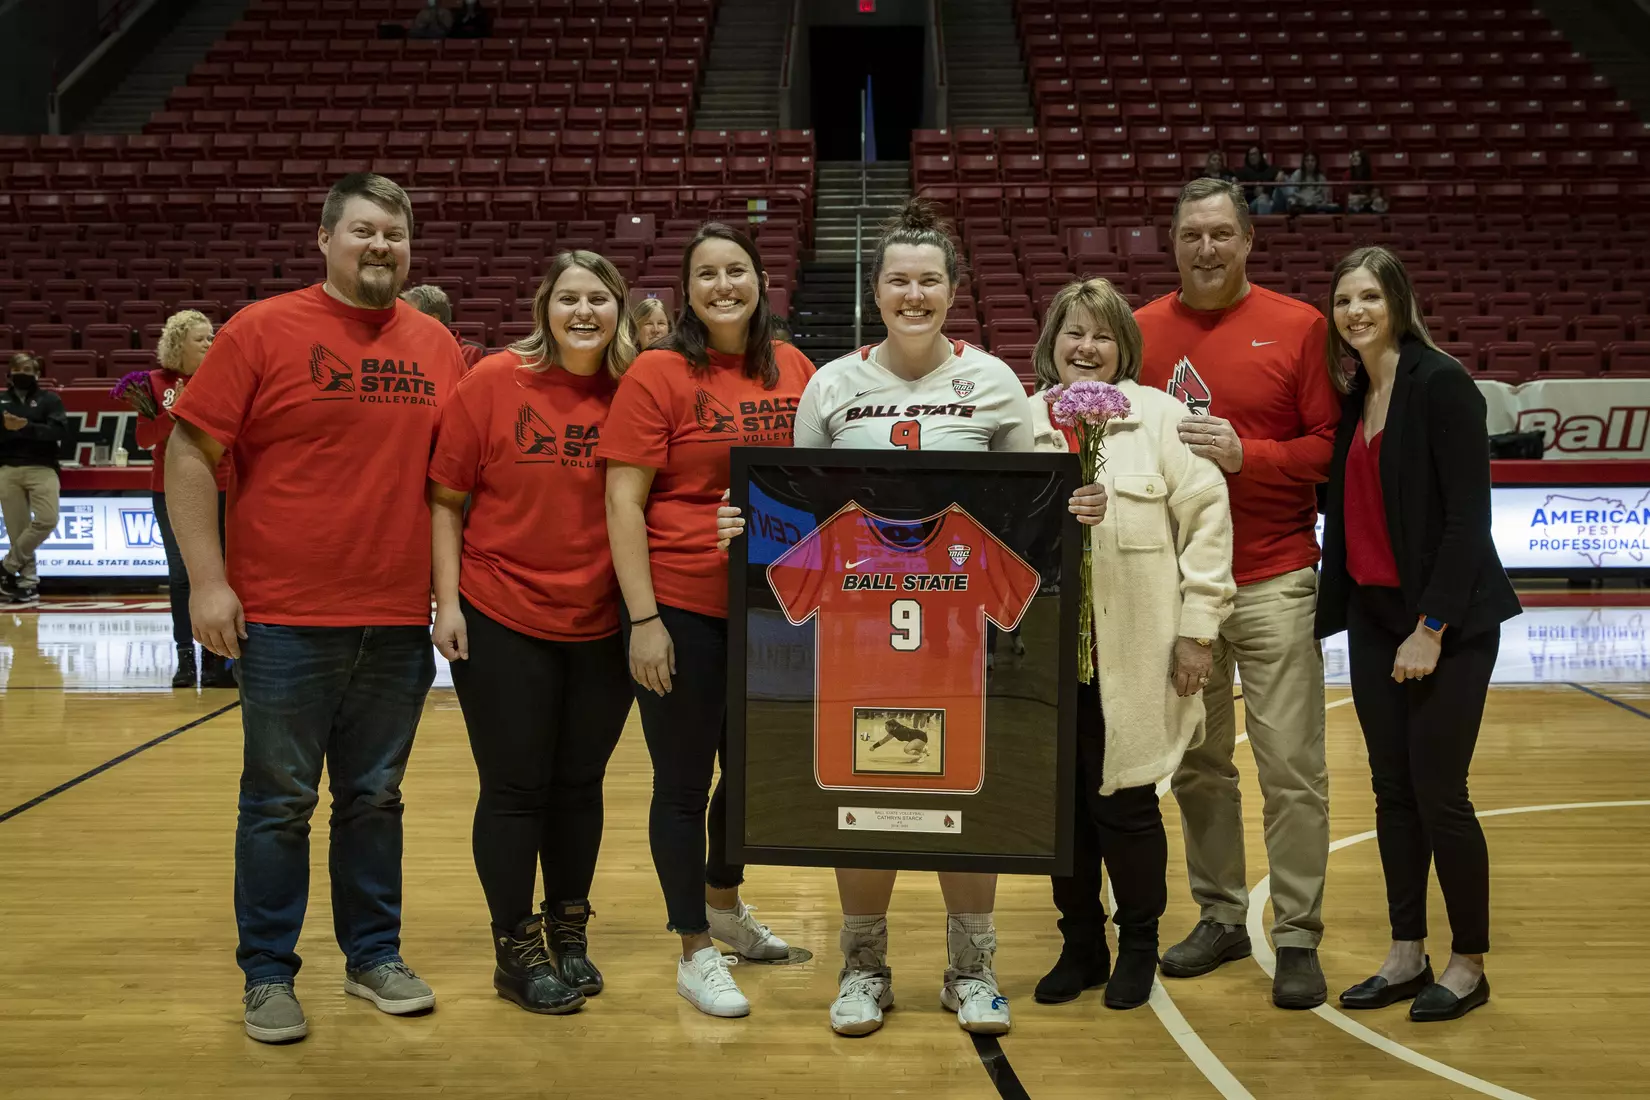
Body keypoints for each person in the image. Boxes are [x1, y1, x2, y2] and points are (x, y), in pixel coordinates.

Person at [715, 199, 1106, 1037]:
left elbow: (1027, 511)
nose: (914, 295)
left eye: (929, 281)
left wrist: (1072, 500)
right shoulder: (833, 383)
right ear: (877, 290)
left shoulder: (996, 381)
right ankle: (864, 968)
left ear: (953, 289)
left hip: (964, 639)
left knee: (968, 806)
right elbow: (800, 503)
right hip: (855, 635)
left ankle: (972, 970)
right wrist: (745, 522)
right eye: (899, 281)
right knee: (860, 805)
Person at [165, 173, 466, 1044]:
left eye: (396, 236)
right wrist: (209, 581)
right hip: (286, 618)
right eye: (365, 231)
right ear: (325, 240)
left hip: (395, 618)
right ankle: (267, 974)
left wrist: (447, 596)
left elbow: (452, 484)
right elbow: (191, 452)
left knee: (375, 798)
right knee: (278, 802)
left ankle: (373, 957)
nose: (382, 248)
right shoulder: (263, 329)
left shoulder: (438, 344)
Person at [1135, 177, 1341, 1009]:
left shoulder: (1300, 327)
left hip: (1276, 576)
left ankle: (1295, 934)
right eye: (1193, 236)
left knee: (1292, 767)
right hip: (1180, 589)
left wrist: (1247, 456)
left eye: (1222, 234)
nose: (1207, 249)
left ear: (1248, 240)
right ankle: (1220, 915)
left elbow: (1329, 448)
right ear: (1173, 243)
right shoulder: (1141, 331)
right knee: (1199, 766)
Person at [598, 223, 813, 1018]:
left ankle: (723, 903)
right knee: (684, 785)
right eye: (707, 275)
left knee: (757, 780)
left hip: (776, 607)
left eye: (738, 271)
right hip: (684, 606)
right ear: (686, 292)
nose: (725, 286)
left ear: (761, 280)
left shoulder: (791, 365)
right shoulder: (659, 372)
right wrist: (643, 618)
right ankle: (694, 947)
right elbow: (623, 500)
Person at [429, 251, 640, 1016]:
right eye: (569, 298)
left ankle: (569, 929)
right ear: (544, 308)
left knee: (580, 787)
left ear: (620, 309)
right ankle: (515, 948)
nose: (584, 312)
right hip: (501, 610)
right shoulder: (490, 384)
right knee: (517, 789)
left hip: (604, 620)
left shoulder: (637, 389)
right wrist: (446, 603)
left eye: (599, 299)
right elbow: (446, 499)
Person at [1315, 247, 1519, 1022]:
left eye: (1369, 296)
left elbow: (1470, 517)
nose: (1356, 312)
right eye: (1344, 301)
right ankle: (1407, 952)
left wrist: (1432, 625)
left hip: (1449, 621)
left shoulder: (1443, 384)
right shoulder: (1355, 393)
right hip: (1374, 617)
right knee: (1393, 793)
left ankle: (1468, 962)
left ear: (1398, 301)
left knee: (1441, 793)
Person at [1027, 278, 1236, 1012]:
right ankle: (1081, 943)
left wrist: (1196, 633)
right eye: (1073, 332)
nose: (1087, 348)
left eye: (1103, 335)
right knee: (1062, 812)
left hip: (1138, 654)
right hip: (1044, 660)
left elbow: (1208, 527)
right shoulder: (1021, 423)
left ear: (1126, 348)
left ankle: (1139, 941)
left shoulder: (1164, 419)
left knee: (1128, 805)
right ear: (1052, 341)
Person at [137, 310, 236, 689]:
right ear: (180, 344)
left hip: (225, 486)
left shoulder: (222, 379)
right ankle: (184, 658)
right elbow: (145, 439)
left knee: (222, 573)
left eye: (211, 337)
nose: (210, 344)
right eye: (202, 338)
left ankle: (218, 661)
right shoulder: (153, 382)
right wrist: (173, 415)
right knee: (181, 577)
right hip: (170, 490)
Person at [0, 352, 65, 608]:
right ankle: (27, 584)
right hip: (7, 469)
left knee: (48, 519)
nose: (23, 373)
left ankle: (6, 568)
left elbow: (59, 431)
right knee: (18, 530)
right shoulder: (1, 400)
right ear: (9, 373)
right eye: (18, 368)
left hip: (43, 467)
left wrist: (24, 427)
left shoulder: (50, 399)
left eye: (28, 368)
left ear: (37, 374)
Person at [401, 284, 484, 369]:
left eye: (409, 315)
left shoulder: (472, 353)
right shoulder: (402, 352)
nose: (402, 322)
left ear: (433, 319)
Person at [1234, 146, 1278, 215]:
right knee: (1263, 199)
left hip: (1272, 201)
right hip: (1251, 203)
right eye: (1250, 155)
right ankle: (1264, 225)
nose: (1252, 157)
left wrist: (1281, 173)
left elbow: (1277, 172)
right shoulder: (1242, 172)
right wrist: (1254, 192)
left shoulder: (1269, 170)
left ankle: (1292, 201)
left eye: (1255, 154)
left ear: (1260, 156)